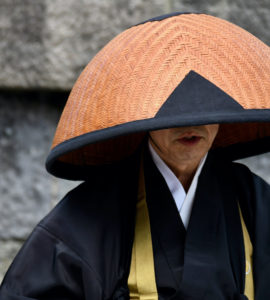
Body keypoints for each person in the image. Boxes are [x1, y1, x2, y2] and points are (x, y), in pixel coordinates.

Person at [1, 12, 270, 300]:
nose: (191, 125)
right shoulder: (91, 214)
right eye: (174, 113)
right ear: (143, 116)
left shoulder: (252, 200)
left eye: (207, 110)